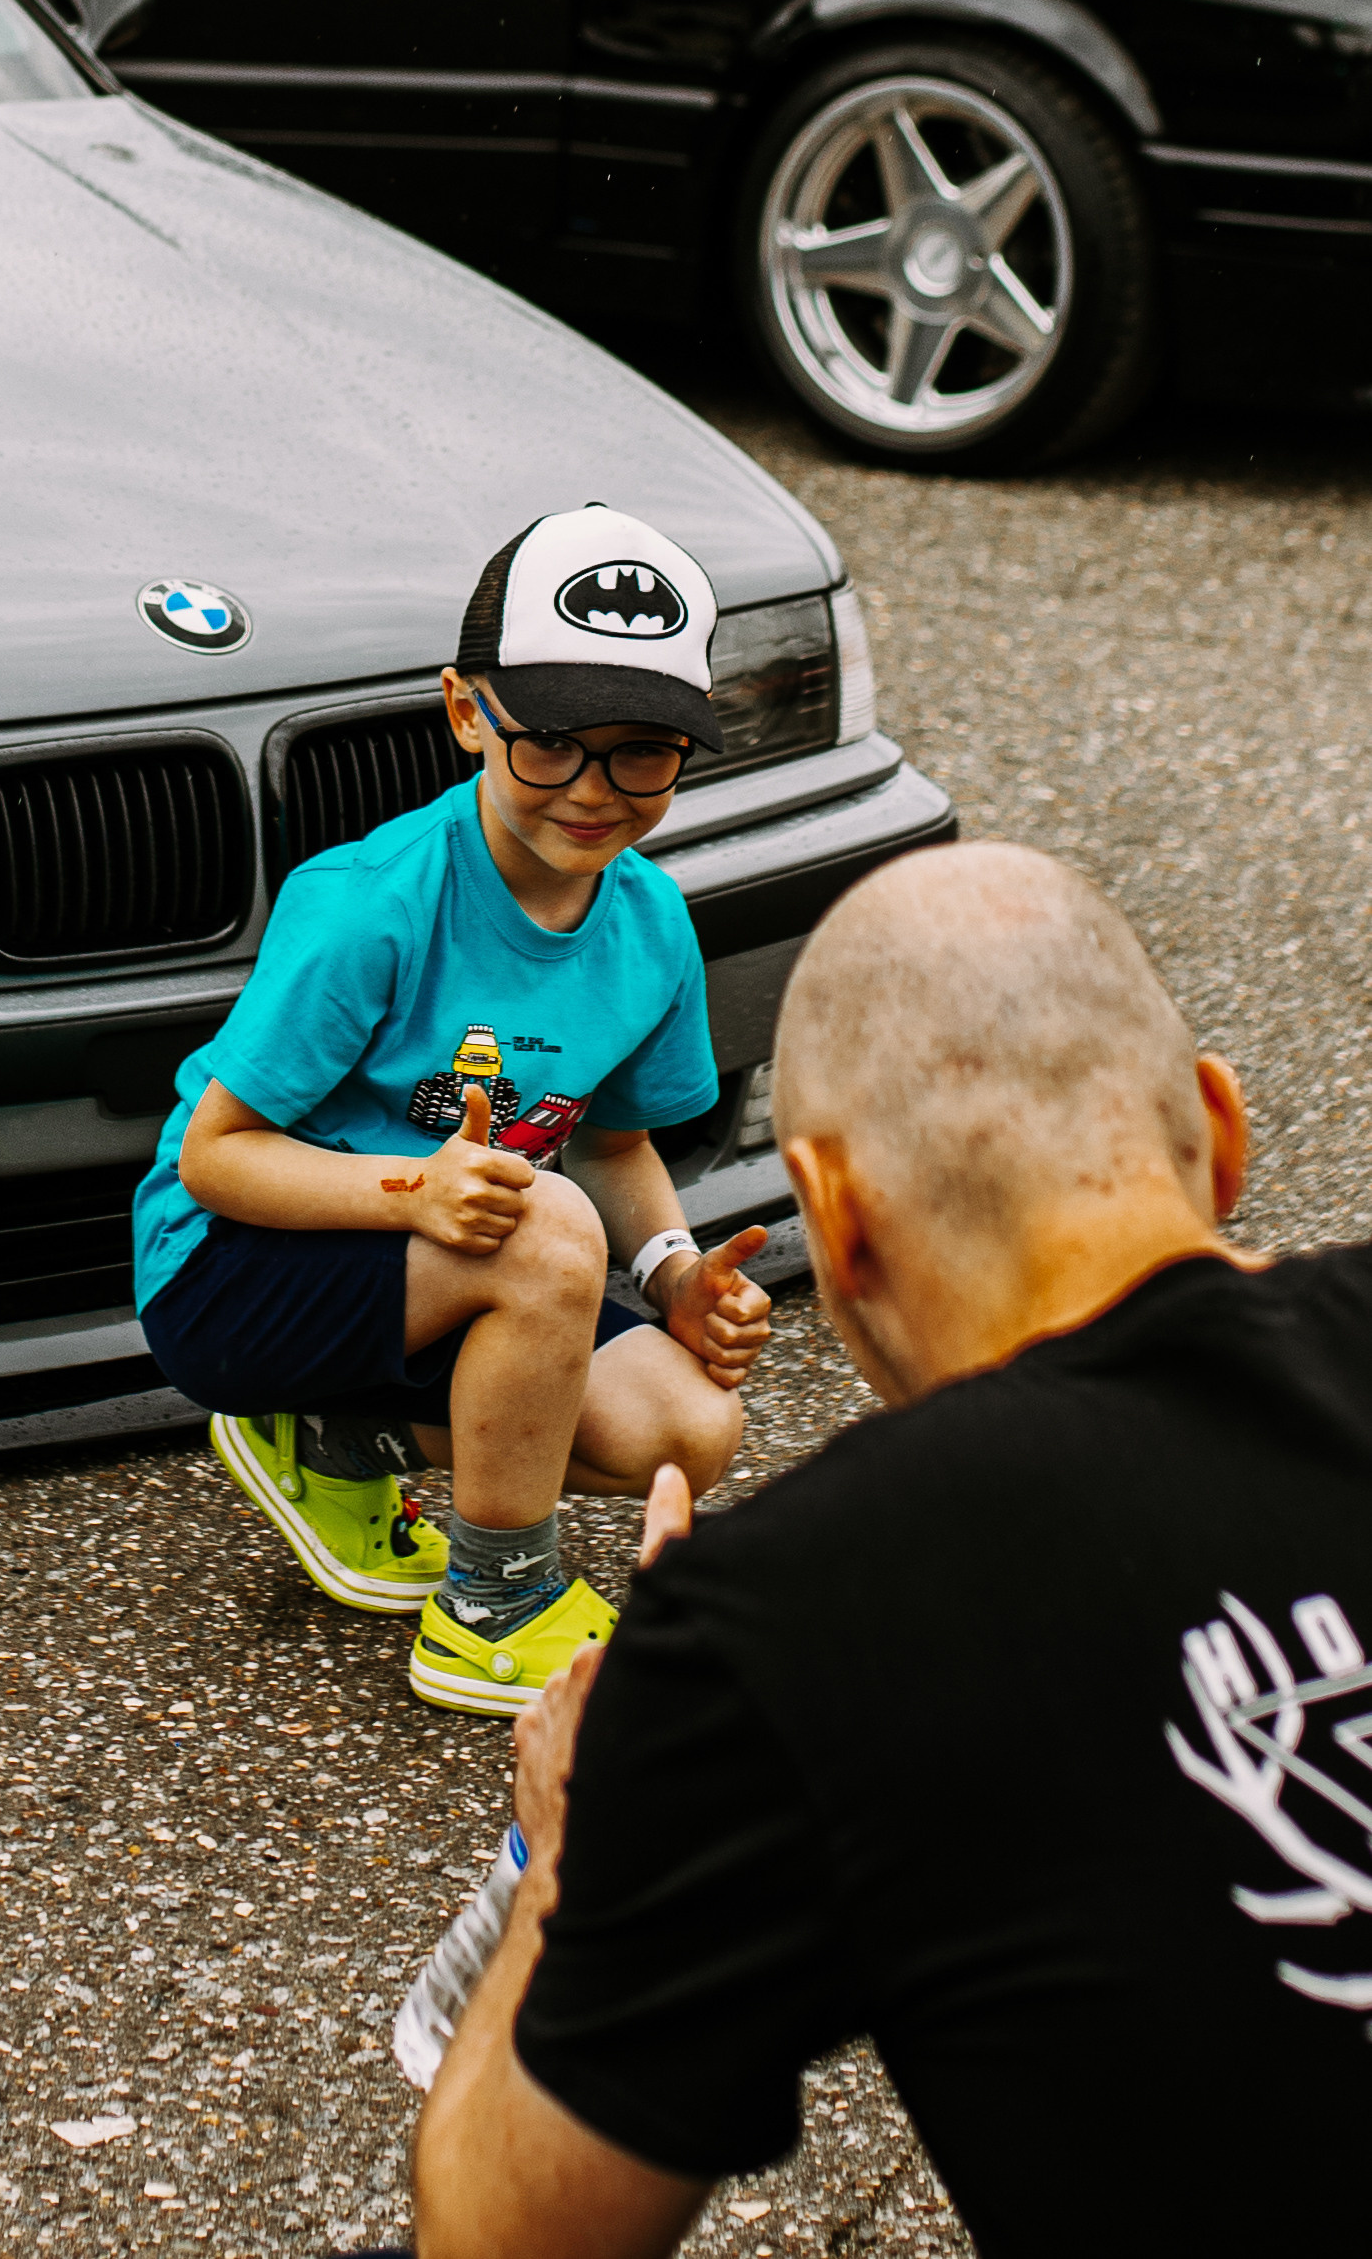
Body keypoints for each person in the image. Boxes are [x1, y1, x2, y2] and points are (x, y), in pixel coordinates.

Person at [410, 842, 1372, 2257]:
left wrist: (582, 1830)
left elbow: (498, 2240)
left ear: (836, 1216)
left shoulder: (783, 1622)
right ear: (1217, 1132)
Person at [134, 505, 773, 1716]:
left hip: (454, 1262)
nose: (592, 789)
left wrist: (678, 1271)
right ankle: (491, 1603)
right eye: (551, 744)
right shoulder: (370, 902)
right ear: (467, 709)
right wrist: (413, 1188)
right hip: (229, 1270)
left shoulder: (648, 924)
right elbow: (217, 1159)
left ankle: (339, 1442)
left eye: (641, 750)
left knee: (689, 1430)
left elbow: (617, 1139)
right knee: (547, 1226)